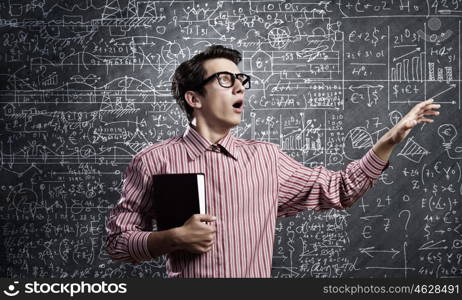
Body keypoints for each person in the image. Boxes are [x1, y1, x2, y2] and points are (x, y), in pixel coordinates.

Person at [105, 45, 440, 278]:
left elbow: (340, 190)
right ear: (194, 98)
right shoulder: (153, 161)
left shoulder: (266, 159)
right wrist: (173, 238)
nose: (240, 86)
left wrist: (389, 141)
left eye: (241, 80)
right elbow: (118, 242)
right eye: (225, 80)